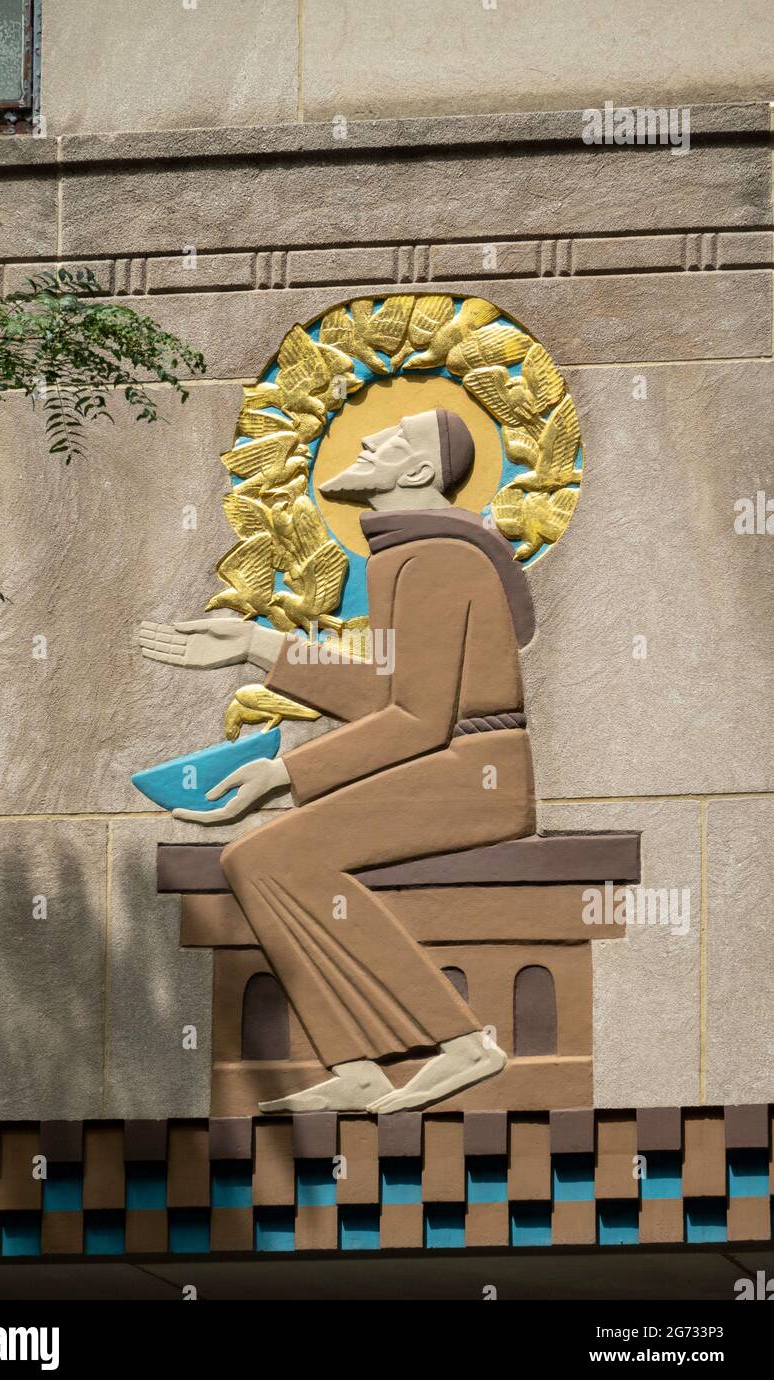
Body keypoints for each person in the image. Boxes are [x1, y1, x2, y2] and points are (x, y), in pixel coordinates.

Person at [139, 407, 537, 1113]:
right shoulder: (405, 552)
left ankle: (462, 1044)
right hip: (451, 762)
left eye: (389, 437)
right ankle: (356, 1067)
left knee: (264, 858)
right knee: (256, 861)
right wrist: (254, 647)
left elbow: (416, 721)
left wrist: (285, 775)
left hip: (479, 775)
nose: (369, 437)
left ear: (416, 472)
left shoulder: (436, 555)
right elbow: (387, 697)